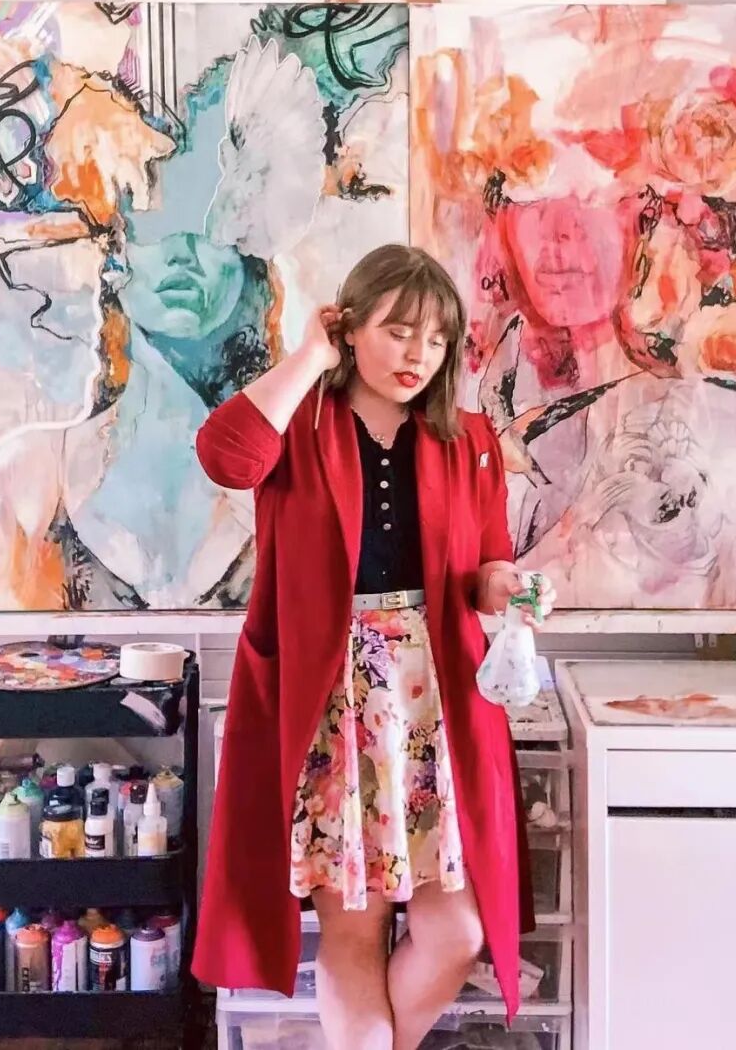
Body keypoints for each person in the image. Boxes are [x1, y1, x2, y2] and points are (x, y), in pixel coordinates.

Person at [191, 243, 555, 1050]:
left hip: (432, 704)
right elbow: (224, 455)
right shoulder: (300, 425)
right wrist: (309, 357)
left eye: (437, 339)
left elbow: (486, 568)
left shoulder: (467, 438)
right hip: (331, 701)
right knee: (353, 933)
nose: (418, 354)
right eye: (398, 331)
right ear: (349, 328)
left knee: (457, 933)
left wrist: (511, 588)